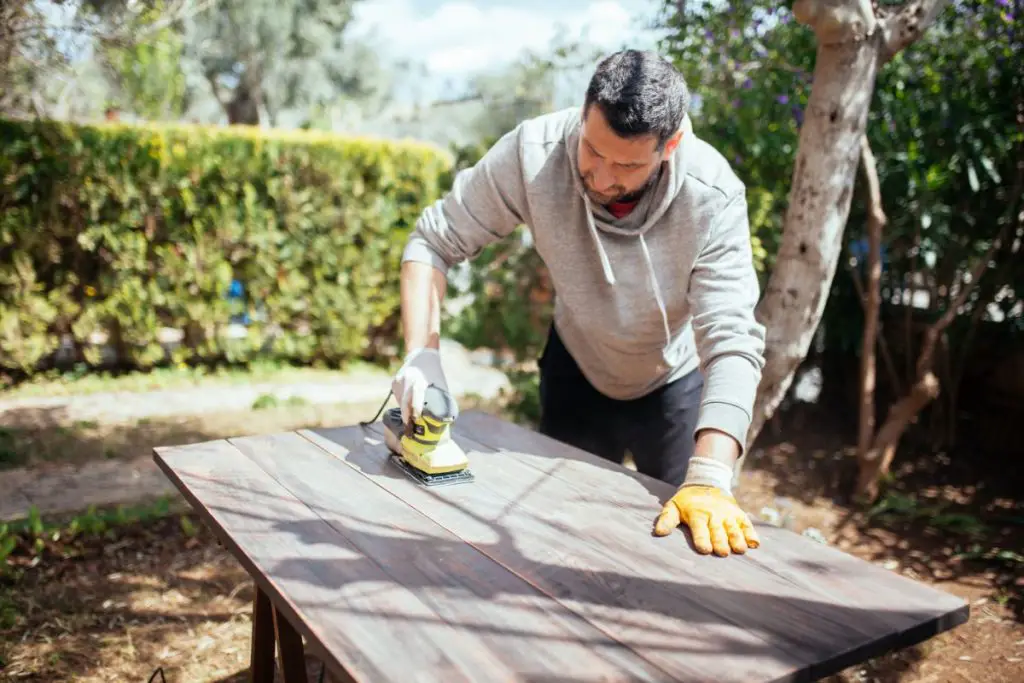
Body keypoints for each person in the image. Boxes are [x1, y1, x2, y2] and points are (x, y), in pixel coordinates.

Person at [391, 49, 766, 558]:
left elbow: (732, 341)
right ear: (584, 113)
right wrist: (422, 355)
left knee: (685, 542)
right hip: (577, 369)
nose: (602, 176)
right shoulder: (533, 154)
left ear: (669, 146)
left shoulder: (712, 196)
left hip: (673, 382)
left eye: (627, 164)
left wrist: (711, 475)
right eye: (593, 149)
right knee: (556, 540)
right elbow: (432, 241)